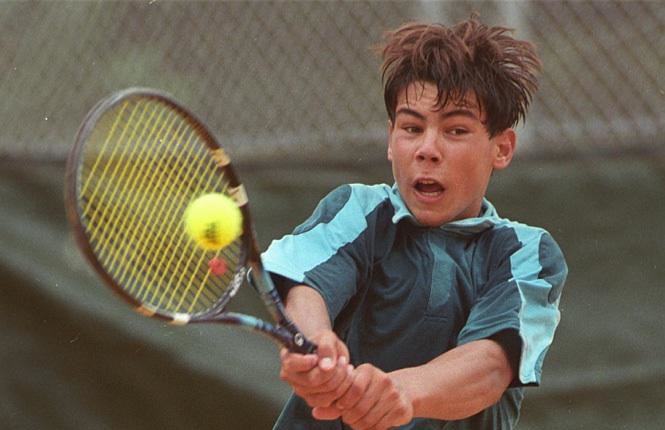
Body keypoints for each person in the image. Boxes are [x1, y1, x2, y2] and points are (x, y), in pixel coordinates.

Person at [263, 17, 568, 430]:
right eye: (411, 128)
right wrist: (313, 345)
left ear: (502, 148)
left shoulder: (527, 254)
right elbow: (306, 286)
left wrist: (401, 392)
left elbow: (491, 367)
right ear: (391, 139)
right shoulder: (358, 211)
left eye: (456, 130)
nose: (427, 149)